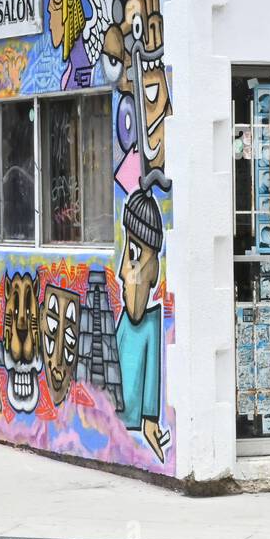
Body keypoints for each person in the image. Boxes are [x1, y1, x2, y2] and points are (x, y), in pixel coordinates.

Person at [116, 190, 169, 461]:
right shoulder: (125, 321)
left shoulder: (151, 326)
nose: (123, 271)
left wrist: (151, 421)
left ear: (155, 270)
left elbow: (150, 397)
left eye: (135, 254)